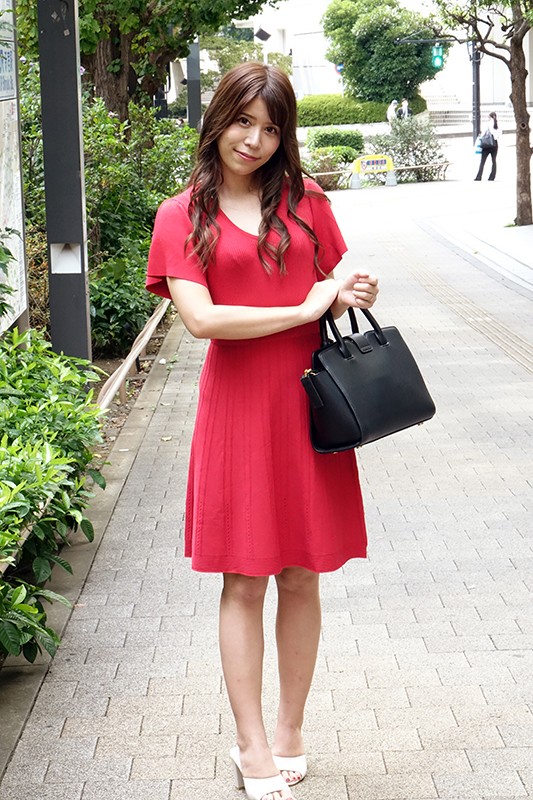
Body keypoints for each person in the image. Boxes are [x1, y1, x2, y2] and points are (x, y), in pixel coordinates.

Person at [145, 62, 379, 800]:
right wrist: (306, 307)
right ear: (218, 119)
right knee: (244, 579)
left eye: (271, 128)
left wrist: (349, 293)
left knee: (302, 572)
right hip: (239, 409)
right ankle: (249, 743)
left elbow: (334, 285)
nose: (254, 140)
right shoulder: (181, 214)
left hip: (310, 403)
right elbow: (202, 319)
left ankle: (289, 731)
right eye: (243, 121)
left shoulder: (307, 200)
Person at [475, 111, 501, 181]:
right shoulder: (498, 124)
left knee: (482, 161)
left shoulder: (488, 123)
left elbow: (483, 133)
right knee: (494, 161)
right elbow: (500, 134)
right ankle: (492, 177)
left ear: (490, 117)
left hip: (487, 144)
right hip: (495, 143)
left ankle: (479, 176)